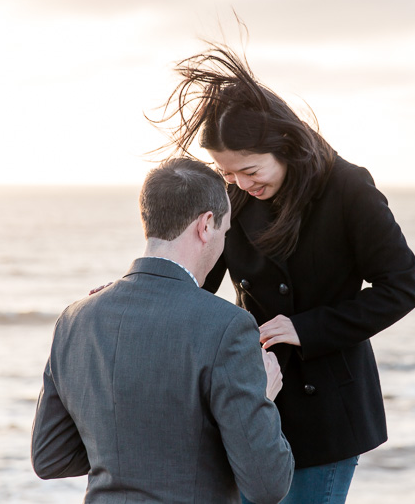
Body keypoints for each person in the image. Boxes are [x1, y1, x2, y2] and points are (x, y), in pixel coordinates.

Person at [152, 45, 415, 503]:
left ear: (283, 145)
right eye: (226, 173)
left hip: (327, 405)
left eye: (249, 170)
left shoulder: (348, 188)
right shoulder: (234, 196)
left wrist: (306, 328)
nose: (240, 184)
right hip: (253, 393)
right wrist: (139, 293)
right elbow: (195, 279)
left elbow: (401, 287)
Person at [31, 158, 294, 504]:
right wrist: (262, 398)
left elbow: (51, 456)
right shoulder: (228, 326)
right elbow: (267, 485)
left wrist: (125, 447)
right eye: (225, 233)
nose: (223, 244)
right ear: (206, 225)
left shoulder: (74, 319)